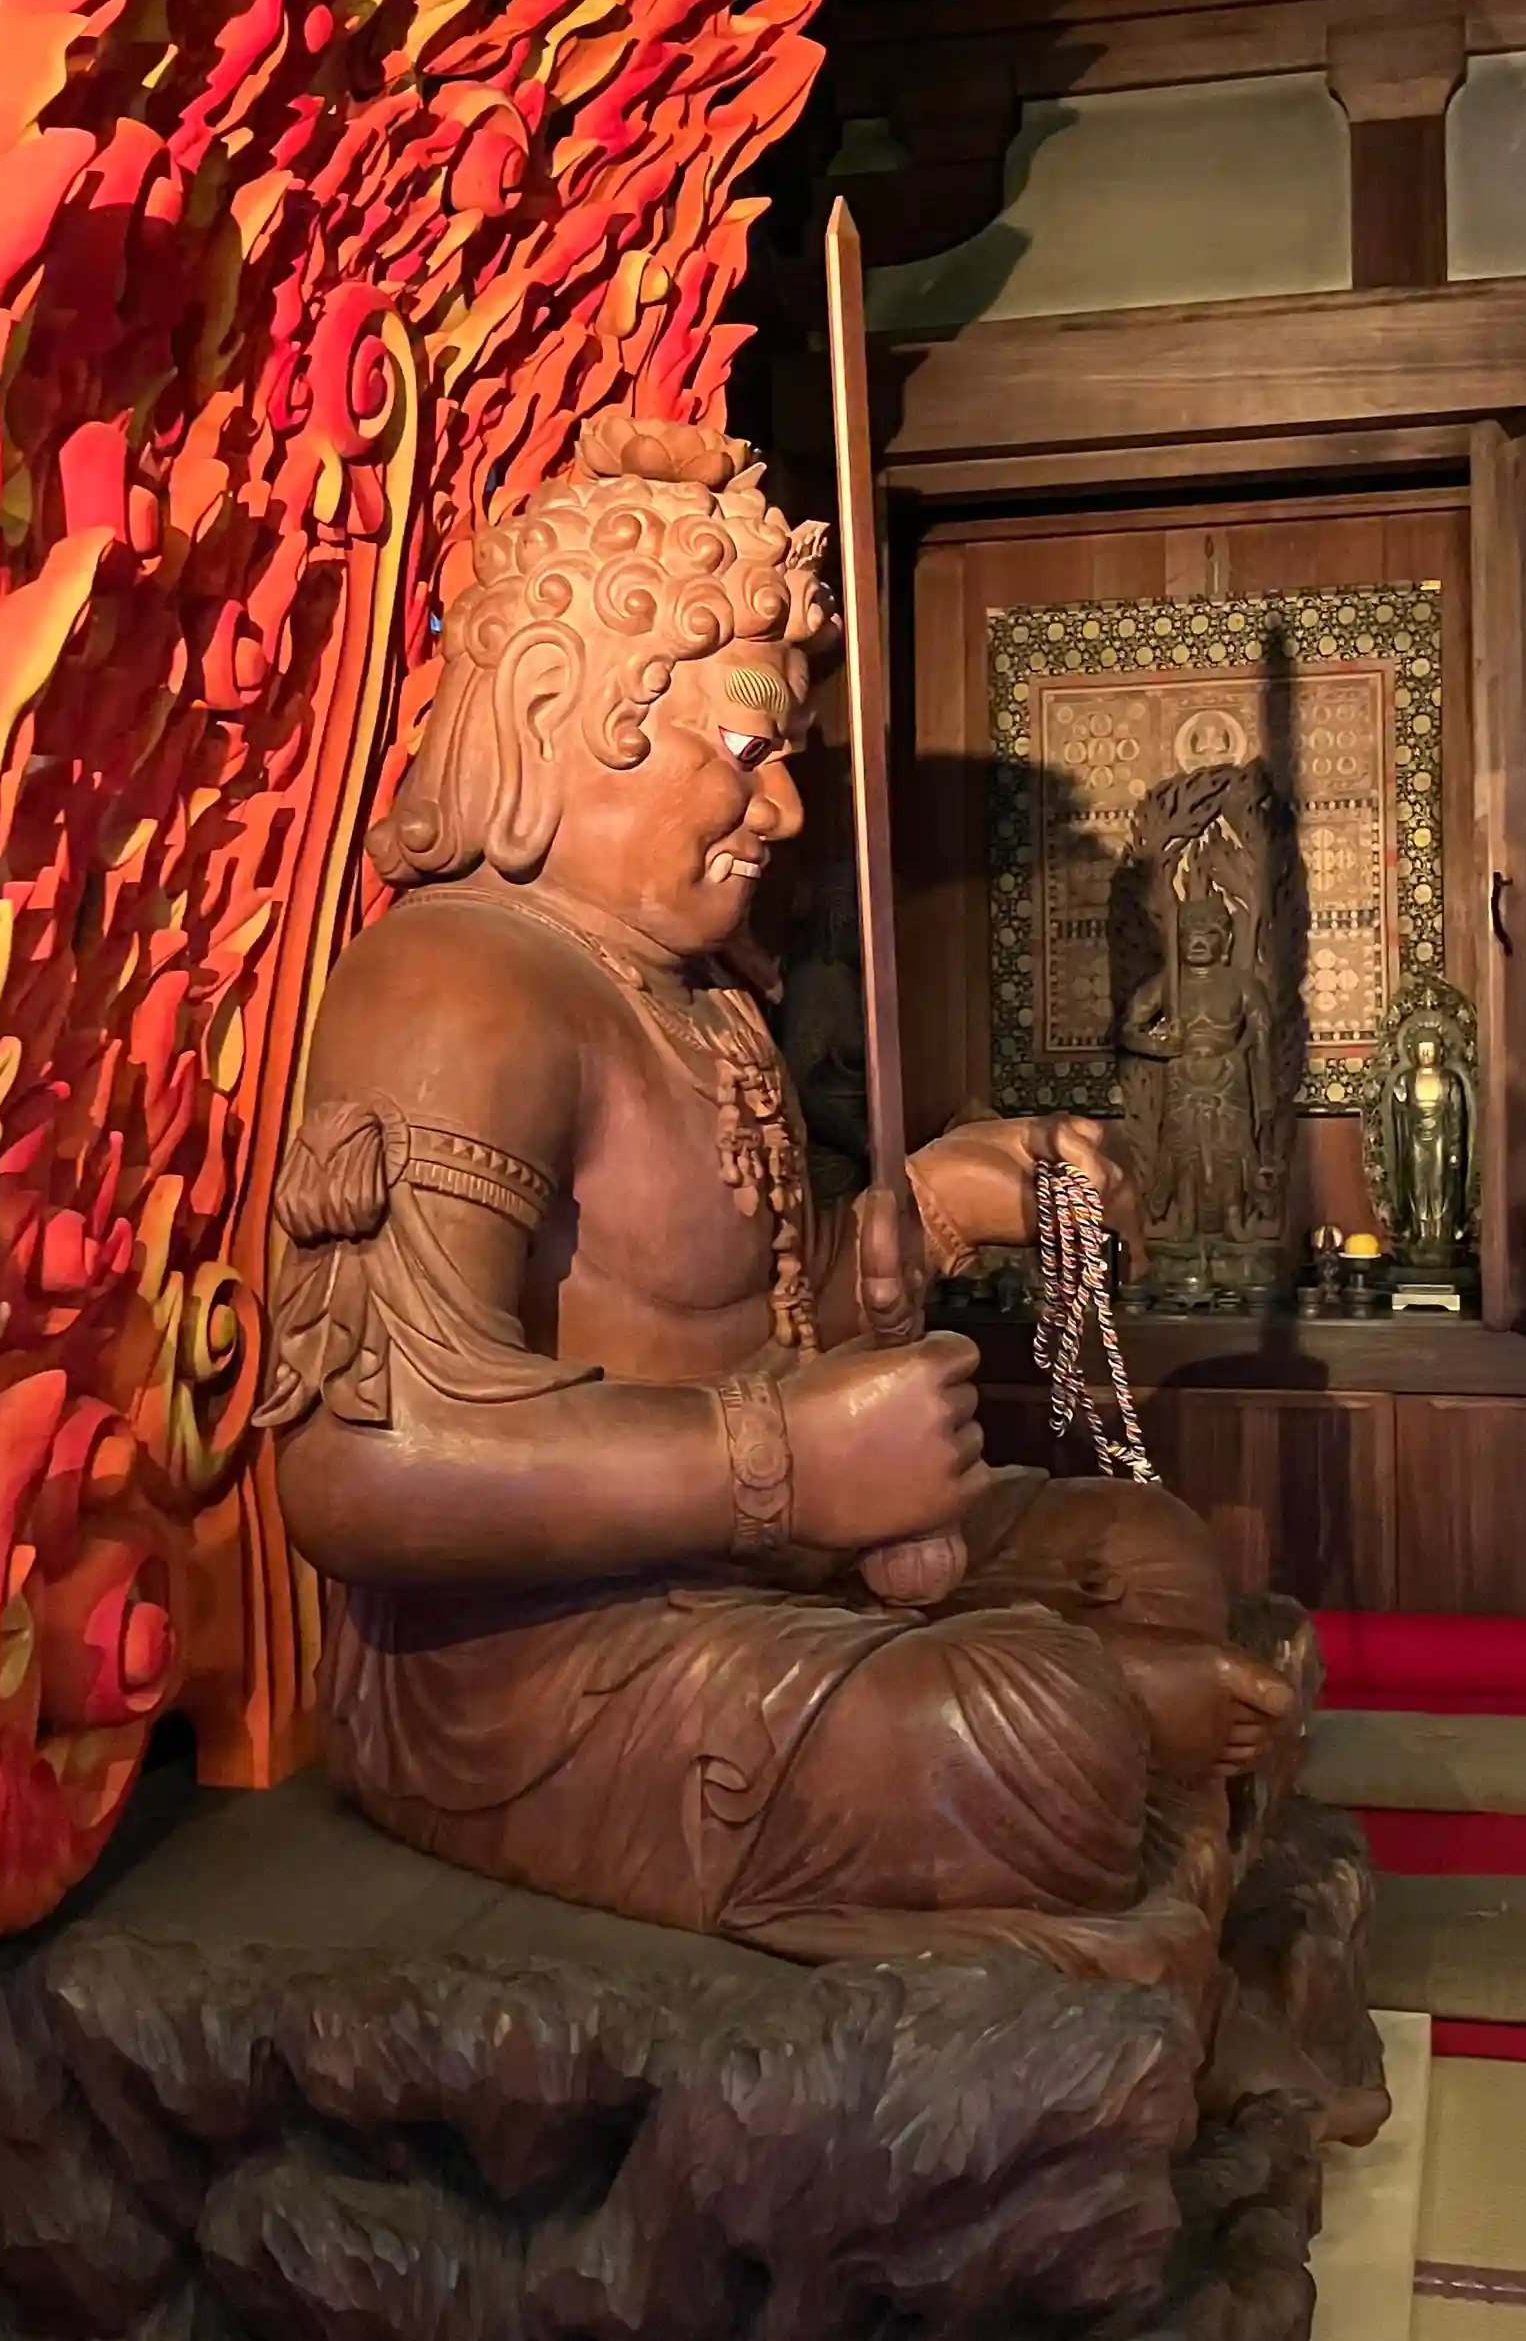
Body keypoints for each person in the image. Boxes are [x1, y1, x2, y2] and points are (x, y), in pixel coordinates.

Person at [261, 413, 1295, 1996]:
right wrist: (780, 1466)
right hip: (535, 1661)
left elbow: (747, 1311)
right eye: (745, 752)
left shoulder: (700, 998)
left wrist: (934, 1205)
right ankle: (1090, 1750)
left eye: (788, 760)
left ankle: (1094, 1733)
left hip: (748, 1582)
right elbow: (362, 1469)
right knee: (1035, 1730)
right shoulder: (458, 988)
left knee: (1142, 1555)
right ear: (555, 719)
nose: (785, 812)